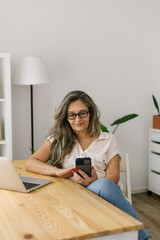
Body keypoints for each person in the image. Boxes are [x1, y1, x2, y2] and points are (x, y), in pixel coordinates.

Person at [26, 90, 151, 240]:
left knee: (104, 184)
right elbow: (31, 162)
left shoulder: (108, 139)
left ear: (90, 113)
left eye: (82, 113)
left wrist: (95, 182)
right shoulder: (57, 139)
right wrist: (58, 172)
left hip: (101, 193)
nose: (77, 119)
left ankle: (143, 238)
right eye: (72, 114)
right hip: (71, 195)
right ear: (66, 117)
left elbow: (114, 176)